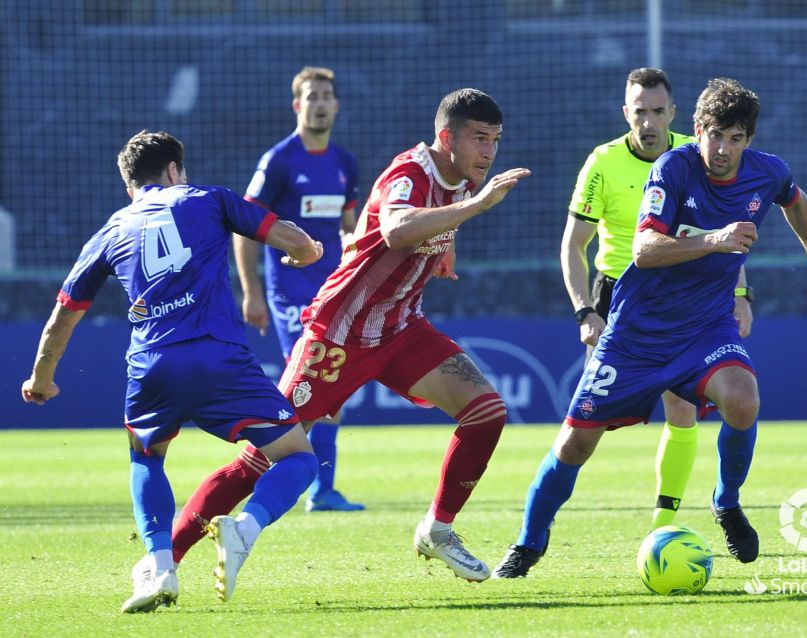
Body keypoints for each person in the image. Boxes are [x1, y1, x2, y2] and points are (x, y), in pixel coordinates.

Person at [179, 88, 530, 582]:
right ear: (446, 137)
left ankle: (438, 530)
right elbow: (396, 228)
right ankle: (164, 562)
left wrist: (444, 249)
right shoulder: (411, 171)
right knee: (260, 458)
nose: (490, 152)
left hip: (402, 330)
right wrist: (475, 209)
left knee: (487, 413)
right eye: (479, 139)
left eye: (495, 140)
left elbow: (403, 231)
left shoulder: (462, 180)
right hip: (339, 336)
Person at [493, 78, 807, 578]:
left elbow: (796, 201)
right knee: (574, 443)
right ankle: (528, 543)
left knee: (743, 399)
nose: (722, 149)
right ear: (697, 130)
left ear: (749, 140)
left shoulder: (768, 173)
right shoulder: (672, 169)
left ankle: (726, 500)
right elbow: (644, 251)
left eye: (735, 138)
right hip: (636, 332)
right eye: (714, 135)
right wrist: (715, 239)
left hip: (705, 327)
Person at [20, 130, 325, 611]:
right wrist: (306, 251)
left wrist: (42, 377)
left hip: (152, 367)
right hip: (219, 358)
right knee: (298, 458)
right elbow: (291, 239)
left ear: (130, 186)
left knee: (146, 458)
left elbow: (63, 314)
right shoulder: (209, 198)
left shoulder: (112, 228)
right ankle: (245, 528)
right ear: (173, 171)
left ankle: (160, 567)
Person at [168, 68, 362, 576]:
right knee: (312, 385)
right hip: (290, 293)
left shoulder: (344, 163)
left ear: (336, 106)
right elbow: (245, 229)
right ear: (296, 106)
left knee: (329, 392)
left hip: (333, 291)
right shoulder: (278, 162)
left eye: (326, 97)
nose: (319, 104)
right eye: (310, 97)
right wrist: (252, 292)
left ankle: (320, 488)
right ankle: (305, 484)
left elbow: (349, 227)